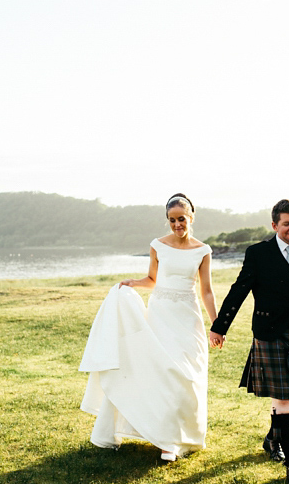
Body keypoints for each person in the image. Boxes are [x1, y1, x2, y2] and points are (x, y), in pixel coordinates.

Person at [79, 193, 219, 461]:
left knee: (187, 376)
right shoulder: (157, 245)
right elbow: (153, 279)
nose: (177, 224)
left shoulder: (203, 251)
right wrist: (133, 283)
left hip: (187, 318)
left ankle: (178, 436)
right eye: (172, 220)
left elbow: (207, 291)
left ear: (191, 218)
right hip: (160, 316)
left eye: (181, 219)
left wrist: (217, 324)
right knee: (161, 373)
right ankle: (166, 441)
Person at [209, 199, 289, 484]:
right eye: (287, 223)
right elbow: (239, 291)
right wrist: (219, 327)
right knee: (285, 399)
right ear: (274, 225)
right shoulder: (259, 253)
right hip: (271, 335)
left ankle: (272, 438)